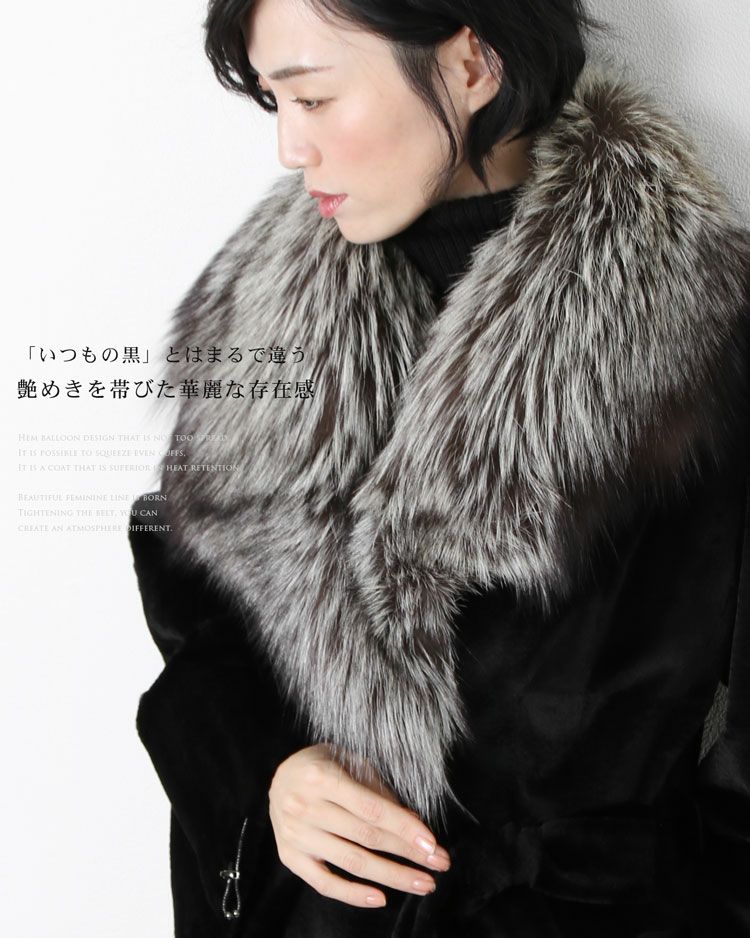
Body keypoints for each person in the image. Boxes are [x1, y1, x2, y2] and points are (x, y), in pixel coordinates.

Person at [130, 0, 750, 935]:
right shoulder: (257, 308)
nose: (290, 149)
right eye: (273, 102)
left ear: (470, 66)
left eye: (315, 98)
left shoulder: (703, 327)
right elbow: (196, 597)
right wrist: (264, 770)